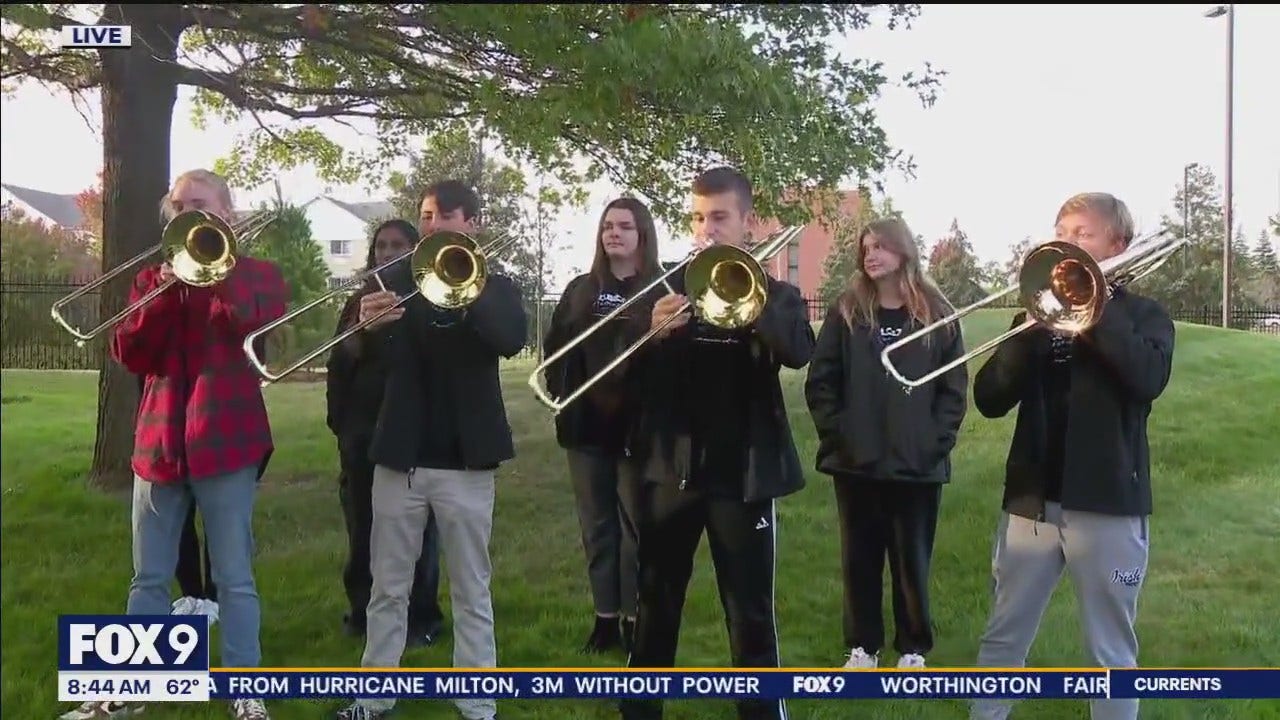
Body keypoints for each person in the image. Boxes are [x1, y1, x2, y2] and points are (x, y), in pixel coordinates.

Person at [59, 169, 288, 720]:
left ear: (227, 214)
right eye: (179, 205)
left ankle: (244, 690)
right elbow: (129, 353)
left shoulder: (259, 274)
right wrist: (164, 292)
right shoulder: (151, 280)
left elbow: (254, 322)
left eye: (200, 203)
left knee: (234, 574)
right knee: (150, 576)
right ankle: (131, 689)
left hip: (226, 440)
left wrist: (216, 274)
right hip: (160, 442)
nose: (187, 212)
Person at [969, 192, 1175, 720]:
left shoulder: (1144, 316)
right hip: (1032, 504)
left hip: (1107, 504)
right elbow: (990, 399)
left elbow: (1146, 380)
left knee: (1110, 651)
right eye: (1063, 229)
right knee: (1002, 640)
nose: (1068, 239)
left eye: (1082, 232)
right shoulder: (1036, 312)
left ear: (1117, 245)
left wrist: (1094, 310)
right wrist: (1030, 331)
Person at [620, 167, 815, 720]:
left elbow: (800, 350)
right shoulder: (666, 287)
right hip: (669, 473)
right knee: (655, 607)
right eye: (699, 218)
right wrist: (649, 337)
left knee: (750, 618)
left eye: (720, 217)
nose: (707, 229)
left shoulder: (776, 292)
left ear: (748, 223)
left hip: (743, 476)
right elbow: (629, 385)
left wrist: (750, 308)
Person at [335, 180, 527, 720]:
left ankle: (477, 702)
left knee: (472, 587)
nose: (431, 225)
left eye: (444, 216)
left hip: (466, 457)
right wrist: (364, 329)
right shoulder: (394, 280)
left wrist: (468, 292)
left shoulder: (497, 284)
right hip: (401, 452)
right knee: (387, 585)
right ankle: (374, 695)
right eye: (425, 215)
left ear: (471, 224)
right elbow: (358, 360)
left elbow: (511, 338)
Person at [803, 216, 968, 670]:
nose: (870, 254)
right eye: (866, 247)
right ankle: (863, 646)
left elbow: (953, 391)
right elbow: (822, 382)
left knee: (911, 560)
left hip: (917, 466)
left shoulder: (937, 313)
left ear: (904, 252)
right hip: (857, 463)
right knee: (860, 559)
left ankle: (913, 648)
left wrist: (934, 444)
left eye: (880, 246)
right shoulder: (847, 309)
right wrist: (842, 436)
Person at [541, 197, 663, 654]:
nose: (614, 233)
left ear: (642, 235)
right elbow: (555, 350)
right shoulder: (580, 289)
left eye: (625, 227)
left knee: (635, 530)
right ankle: (605, 619)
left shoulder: (660, 288)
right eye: (608, 225)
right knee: (597, 528)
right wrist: (558, 391)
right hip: (586, 427)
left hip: (638, 429)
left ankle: (636, 619)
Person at [326, 219, 446, 645]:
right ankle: (362, 612)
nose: (387, 253)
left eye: (398, 245)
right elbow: (340, 361)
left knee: (417, 530)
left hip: (410, 430)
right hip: (360, 430)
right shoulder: (360, 299)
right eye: (381, 246)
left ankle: (422, 616)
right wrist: (363, 331)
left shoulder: (431, 297)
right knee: (362, 524)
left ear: (415, 251)